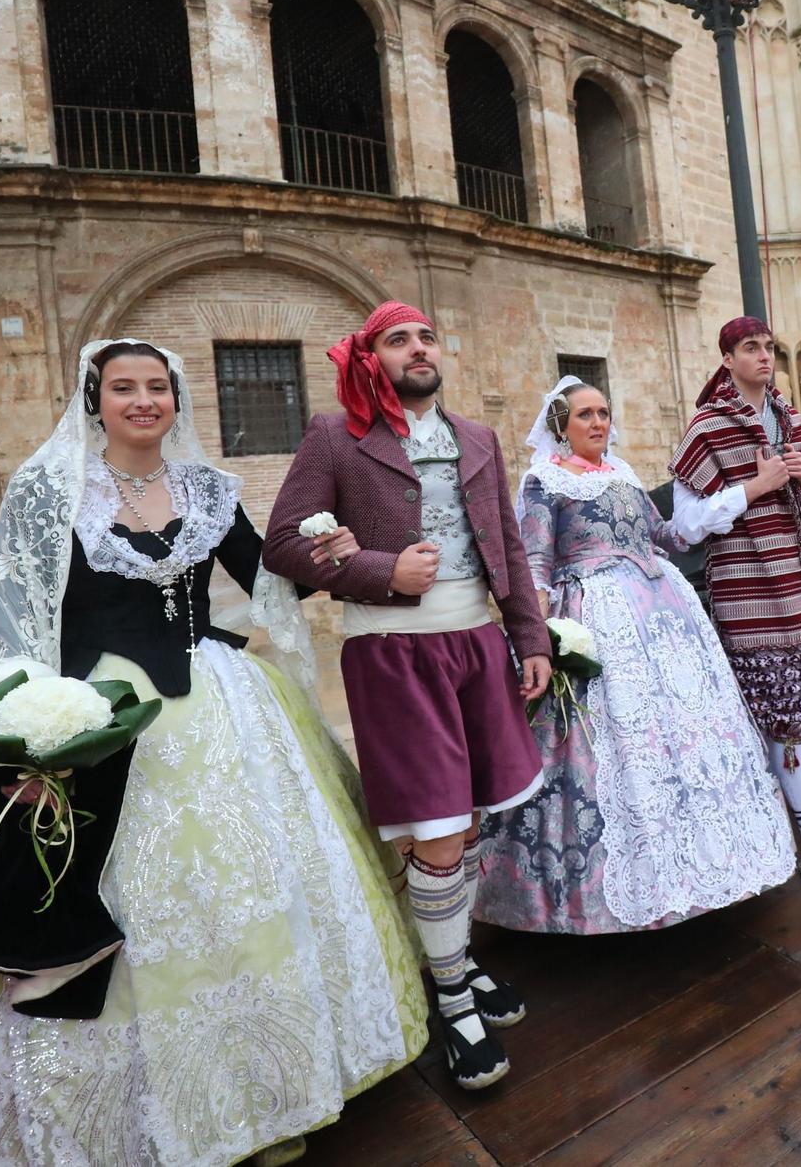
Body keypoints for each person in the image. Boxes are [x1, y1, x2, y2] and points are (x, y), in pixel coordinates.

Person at [0, 339, 428, 1167]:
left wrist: (337, 560)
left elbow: (265, 575)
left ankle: (272, 1085)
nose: (144, 400)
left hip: (224, 704)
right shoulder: (48, 495)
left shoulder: (206, 488)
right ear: (96, 398)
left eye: (158, 386)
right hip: (102, 715)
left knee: (256, 891)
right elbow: (10, 624)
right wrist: (29, 740)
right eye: (125, 387)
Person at [263, 301, 548, 1091]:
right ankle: (452, 991)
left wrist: (530, 638)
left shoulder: (479, 438)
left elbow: (511, 550)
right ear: (370, 357)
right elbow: (280, 544)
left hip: (479, 644)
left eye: (426, 336)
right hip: (392, 653)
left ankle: (452, 953)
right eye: (398, 339)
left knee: (474, 812)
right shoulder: (335, 436)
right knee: (436, 828)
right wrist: (381, 570)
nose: (418, 348)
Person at [475, 378, 794, 933]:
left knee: (685, 739)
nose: (598, 423)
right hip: (597, 621)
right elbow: (534, 564)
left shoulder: (621, 473)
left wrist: (742, 494)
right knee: (611, 746)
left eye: (603, 412)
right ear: (560, 426)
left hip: (664, 616)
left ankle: (710, 866)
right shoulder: (544, 482)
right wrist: (542, 639)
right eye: (584, 415)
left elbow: (666, 535)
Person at [669, 316, 801, 901]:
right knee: (767, 716)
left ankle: (796, 838)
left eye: (769, 347)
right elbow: (682, 529)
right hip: (747, 589)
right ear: (727, 358)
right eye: (750, 347)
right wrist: (752, 487)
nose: (764, 356)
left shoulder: (792, 418)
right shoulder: (707, 427)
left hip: (800, 583)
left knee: (797, 713)